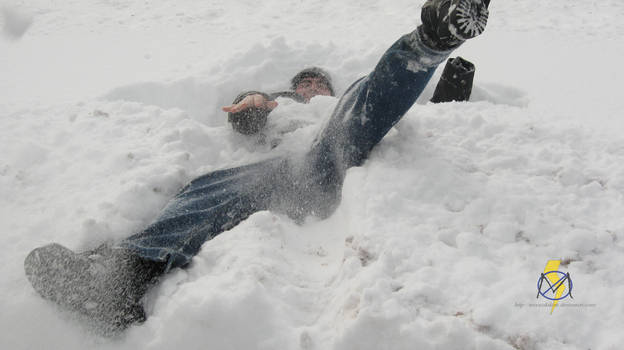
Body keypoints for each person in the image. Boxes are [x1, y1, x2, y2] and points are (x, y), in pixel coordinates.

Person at [24, 0, 491, 334]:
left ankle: (431, 41)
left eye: (317, 81)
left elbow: (382, 110)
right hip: (296, 169)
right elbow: (245, 124)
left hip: (337, 149)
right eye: (303, 82)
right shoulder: (279, 105)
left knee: (359, 93)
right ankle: (124, 271)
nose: (310, 86)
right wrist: (252, 105)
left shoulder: (338, 102)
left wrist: (450, 96)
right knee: (208, 185)